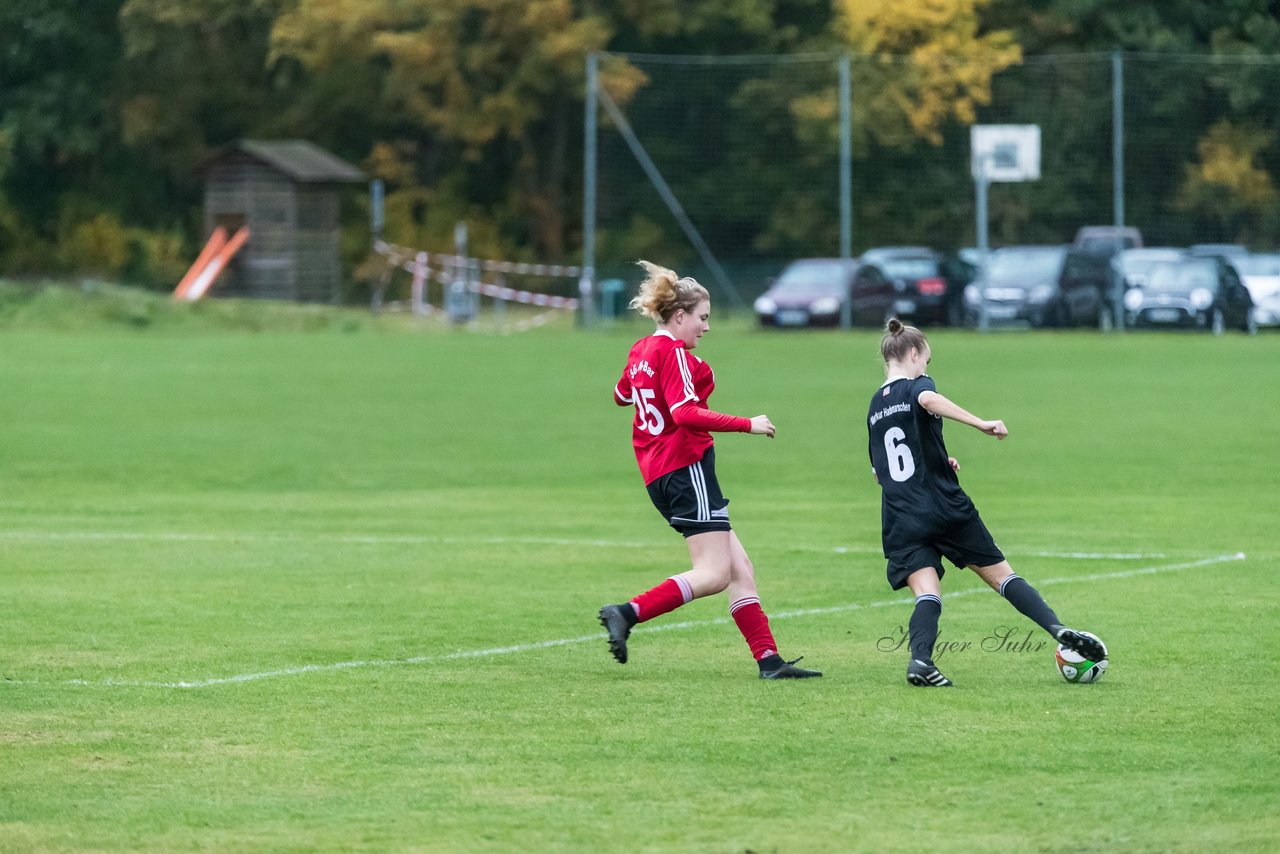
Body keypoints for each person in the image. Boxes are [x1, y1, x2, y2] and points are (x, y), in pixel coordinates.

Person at [597, 261, 822, 680]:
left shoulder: (641, 349)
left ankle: (769, 661)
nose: (706, 327)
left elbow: (620, 395)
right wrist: (748, 424)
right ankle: (627, 612)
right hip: (685, 469)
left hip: (657, 474)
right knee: (715, 573)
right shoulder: (673, 352)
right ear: (679, 316)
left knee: (740, 568)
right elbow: (684, 413)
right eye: (702, 318)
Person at [867, 318, 1107, 687]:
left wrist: (936, 461)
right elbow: (926, 398)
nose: (925, 369)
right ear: (914, 354)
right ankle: (1055, 627)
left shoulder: (874, 408)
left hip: (902, 516)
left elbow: (881, 472)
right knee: (1002, 576)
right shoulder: (917, 385)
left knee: (927, 593)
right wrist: (979, 422)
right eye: (926, 361)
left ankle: (920, 661)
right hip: (944, 507)